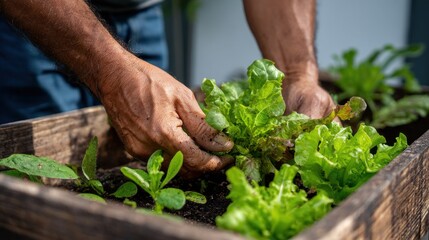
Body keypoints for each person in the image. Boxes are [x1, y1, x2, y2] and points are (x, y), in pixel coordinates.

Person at [0, 0, 335, 177]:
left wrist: (297, 72)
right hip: (39, 16)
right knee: (49, 178)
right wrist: (112, 73)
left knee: (157, 141)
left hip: (142, 13)